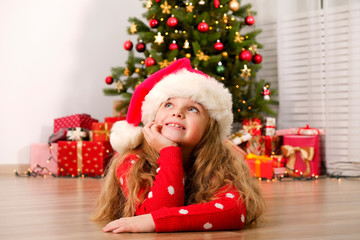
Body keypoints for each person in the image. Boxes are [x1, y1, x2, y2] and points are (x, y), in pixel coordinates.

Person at [92, 58, 265, 233]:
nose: (177, 113)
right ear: (153, 118)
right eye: (168, 104)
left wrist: (158, 221)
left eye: (193, 109)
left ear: (210, 128)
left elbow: (232, 212)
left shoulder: (220, 161)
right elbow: (155, 211)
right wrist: (169, 152)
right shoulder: (132, 160)